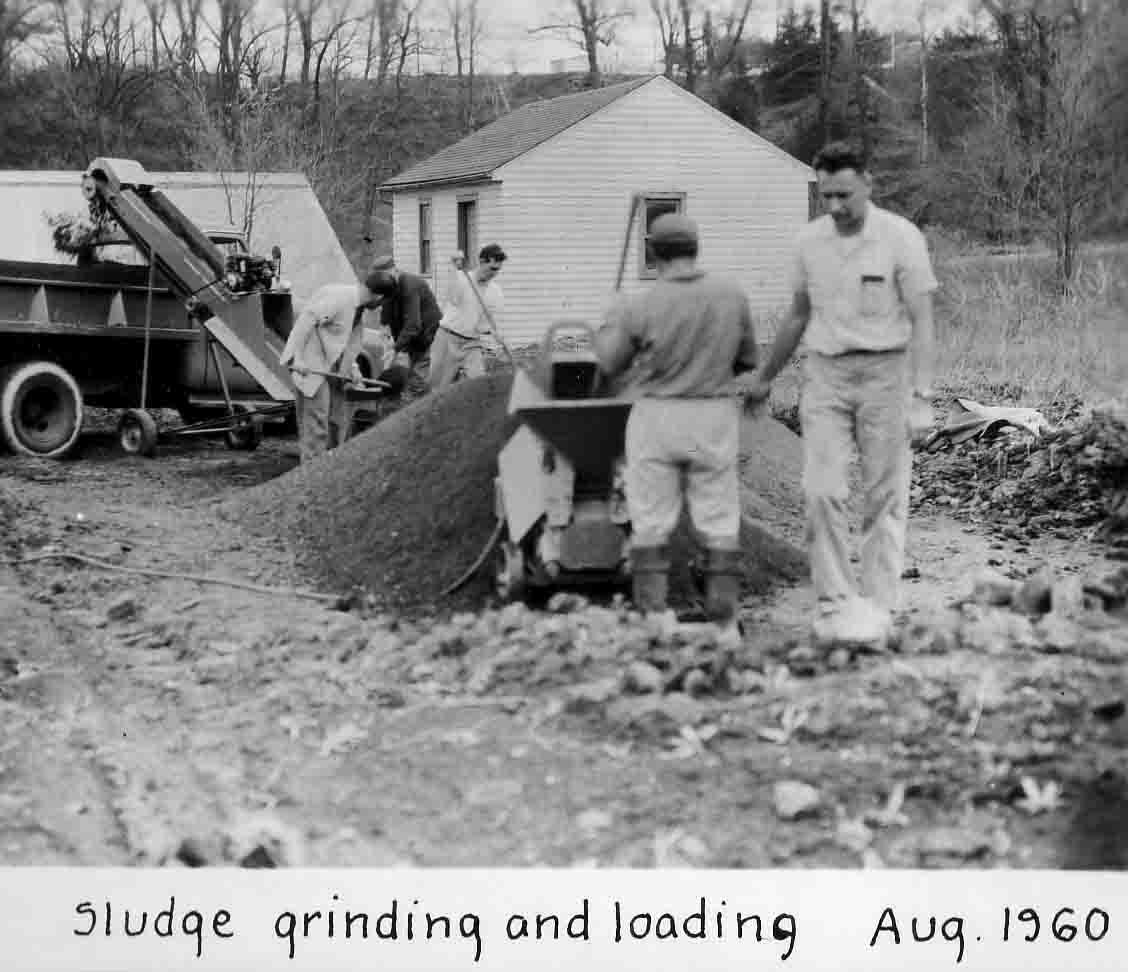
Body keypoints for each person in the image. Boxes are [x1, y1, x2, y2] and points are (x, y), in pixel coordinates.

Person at [741, 140, 939, 650]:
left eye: (844, 195)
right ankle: (834, 604)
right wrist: (765, 376)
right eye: (826, 195)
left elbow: (923, 321)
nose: (834, 206)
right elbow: (798, 314)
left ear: (868, 183)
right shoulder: (809, 242)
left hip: (887, 374)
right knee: (821, 491)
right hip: (826, 375)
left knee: (884, 496)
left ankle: (877, 608)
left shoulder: (901, 237)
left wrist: (922, 397)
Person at [593, 212, 758, 627]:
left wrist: (611, 321)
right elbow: (746, 361)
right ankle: (723, 620)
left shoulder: (641, 303)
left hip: (657, 416)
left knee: (650, 521)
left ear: (653, 253)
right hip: (713, 414)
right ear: (696, 247)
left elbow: (610, 364)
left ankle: (655, 619)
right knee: (719, 520)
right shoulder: (731, 295)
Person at [278, 274, 383, 463]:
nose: (381, 306)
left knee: (336, 419)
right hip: (310, 363)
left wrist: (353, 370)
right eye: (383, 302)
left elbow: (342, 343)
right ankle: (312, 470)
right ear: (378, 296)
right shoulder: (340, 298)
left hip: (330, 366)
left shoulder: (357, 310)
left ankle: (329, 466)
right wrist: (299, 358)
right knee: (316, 422)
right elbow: (305, 321)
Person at [427, 243, 507, 392]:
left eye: (498, 270)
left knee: (479, 386)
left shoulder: (495, 291)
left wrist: (494, 335)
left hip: (472, 344)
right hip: (448, 338)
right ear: (481, 262)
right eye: (492, 268)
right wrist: (454, 268)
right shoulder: (462, 279)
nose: (494, 273)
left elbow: (487, 322)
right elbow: (453, 299)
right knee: (438, 389)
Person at [364, 255, 443, 393]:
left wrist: (395, 349)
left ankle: (421, 402)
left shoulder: (410, 286)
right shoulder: (390, 286)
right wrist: (384, 326)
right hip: (412, 338)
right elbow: (387, 304)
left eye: (384, 276)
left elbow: (413, 324)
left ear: (394, 270)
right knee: (409, 376)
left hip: (428, 336)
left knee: (418, 379)